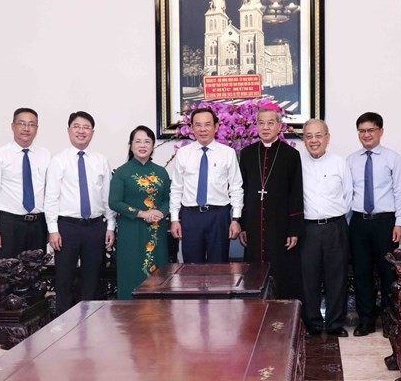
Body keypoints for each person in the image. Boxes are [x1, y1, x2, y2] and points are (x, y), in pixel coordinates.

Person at [45, 111, 116, 315]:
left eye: (86, 127)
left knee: (92, 279)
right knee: (64, 279)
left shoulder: (101, 160)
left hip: (95, 227)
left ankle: (90, 325)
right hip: (67, 227)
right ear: (69, 130)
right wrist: (53, 229)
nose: (81, 131)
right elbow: (51, 198)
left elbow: (107, 197)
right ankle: (63, 327)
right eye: (77, 126)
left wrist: (110, 225)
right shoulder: (59, 160)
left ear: (93, 132)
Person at [346, 112, 401, 337]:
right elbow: (347, 194)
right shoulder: (351, 160)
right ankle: (366, 320)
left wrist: (400, 223)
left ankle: (390, 320)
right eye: (362, 131)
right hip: (359, 223)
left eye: (371, 130)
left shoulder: (393, 158)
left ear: (381, 131)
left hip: (385, 223)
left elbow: (400, 192)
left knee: (388, 273)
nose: (366, 134)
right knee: (361, 273)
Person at [238, 103, 304, 300]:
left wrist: (294, 229)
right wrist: (242, 224)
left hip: (280, 226)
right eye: (261, 123)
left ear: (279, 126)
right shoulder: (247, 153)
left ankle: (283, 318)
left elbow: (296, 192)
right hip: (253, 224)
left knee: (282, 271)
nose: (265, 127)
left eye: (270, 123)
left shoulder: (291, 155)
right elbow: (241, 190)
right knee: (254, 273)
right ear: (256, 126)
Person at [169, 108, 243, 263]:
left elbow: (236, 187)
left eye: (208, 124)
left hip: (219, 216)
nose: (203, 129)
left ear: (216, 127)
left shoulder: (228, 153)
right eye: (198, 125)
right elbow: (176, 188)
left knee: (219, 267)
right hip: (191, 216)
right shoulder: (183, 153)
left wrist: (236, 219)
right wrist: (175, 219)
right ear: (191, 128)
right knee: (192, 267)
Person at [299, 119, 352, 338]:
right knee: (308, 277)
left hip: (335, 227)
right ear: (303, 139)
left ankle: (334, 323)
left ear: (327, 138)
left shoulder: (340, 163)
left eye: (318, 135)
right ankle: (312, 322)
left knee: (336, 277)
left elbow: (348, 195)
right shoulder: (297, 163)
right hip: (308, 229)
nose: (314, 140)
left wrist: (335, 216)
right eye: (309, 136)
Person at [109, 126, 171, 300]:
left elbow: (168, 199)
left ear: (153, 146)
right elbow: (114, 202)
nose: (142, 145)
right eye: (138, 141)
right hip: (131, 229)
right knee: (131, 269)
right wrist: (142, 213)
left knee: (158, 272)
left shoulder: (161, 172)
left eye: (147, 141)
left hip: (156, 230)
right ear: (130, 145)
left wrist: (160, 212)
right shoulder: (122, 172)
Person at [0, 108, 50, 259]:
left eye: (31, 124)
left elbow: (49, 192)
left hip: (38, 224)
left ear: (37, 129)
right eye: (22, 123)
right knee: (8, 276)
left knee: (35, 276)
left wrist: (50, 227)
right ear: (13, 126)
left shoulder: (45, 155)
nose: (26, 128)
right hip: (10, 224)